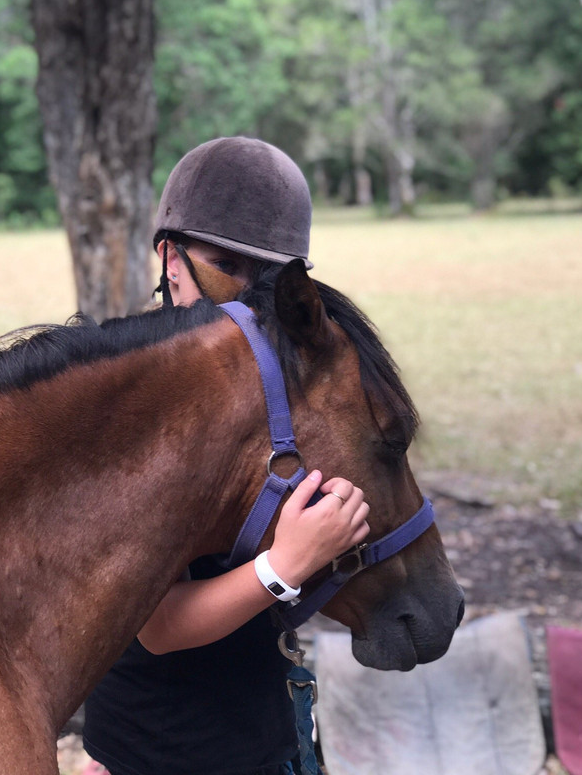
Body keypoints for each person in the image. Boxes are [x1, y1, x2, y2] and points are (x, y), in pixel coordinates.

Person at [81, 137, 371, 775]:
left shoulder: (270, 391)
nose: (248, 293)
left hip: (270, 739)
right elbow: (158, 625)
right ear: (170, 258)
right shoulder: (137, 402)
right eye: (226, 264)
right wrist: (287, 563)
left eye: (268, 275)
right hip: (158, 755)